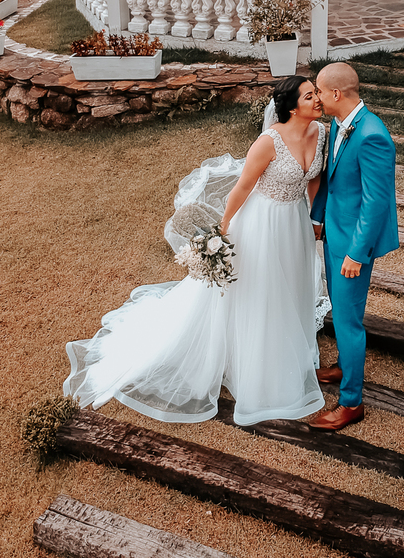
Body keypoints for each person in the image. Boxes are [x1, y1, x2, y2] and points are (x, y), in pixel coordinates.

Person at [62, 76, 327, 426]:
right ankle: (253, 355)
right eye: (310, 96)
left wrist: (313, 218)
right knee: (257, 287)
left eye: (317, 94)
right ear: (293, 106)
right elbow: (242, 187)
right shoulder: (268, 142)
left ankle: (285, 342)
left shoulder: (321, 132)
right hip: (261, 223)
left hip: (294, 222)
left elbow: (313, 178)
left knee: (291, 281)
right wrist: (224, 231)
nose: (318, 100)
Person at [308, 62, 399, 432]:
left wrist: (356, 255)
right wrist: (318, 219)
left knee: (347, 318)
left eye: (318, 90)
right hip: (334, 233)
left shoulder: (373, 135)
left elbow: (377, 202)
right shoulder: (339, 123)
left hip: (351, 246)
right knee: (343, 311)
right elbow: (332, 178)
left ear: (336, 94)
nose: (314, 96)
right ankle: (346, 364)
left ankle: (351, 403)